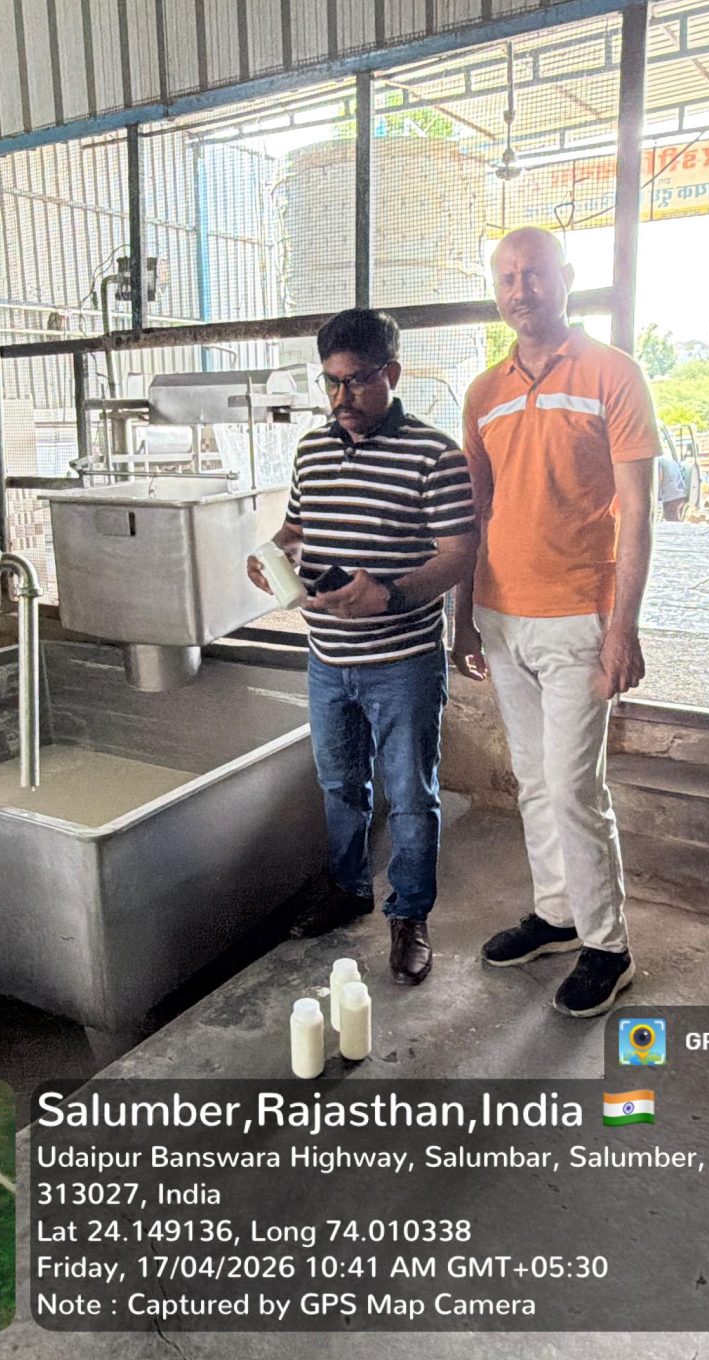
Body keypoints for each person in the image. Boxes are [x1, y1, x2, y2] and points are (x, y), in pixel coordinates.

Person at [452, 226, 657, 1018]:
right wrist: (464, 620)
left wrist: (622, 630)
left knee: (574, 787)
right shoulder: (485, 392)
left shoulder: (613, 374)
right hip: (501, 616)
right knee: (535, 781)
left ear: (565, 278)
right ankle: (558, 914)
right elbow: (475, 511)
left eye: (534, 273)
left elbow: (637, 514)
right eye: (506, 277)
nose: (520, 290)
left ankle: (609, 945)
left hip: (580, 617)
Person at [248, 309, 477, 985]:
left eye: (356, 381)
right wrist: (270, 555)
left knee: (409, 793)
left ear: (392, 373)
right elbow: (297, 528)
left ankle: (409, 914)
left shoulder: (436, 455)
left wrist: (393, 596)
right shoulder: (312, 450)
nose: (341, 397)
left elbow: (459, 554)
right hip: (327, 657)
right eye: (331, 382)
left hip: (402, 661)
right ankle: (349, 889)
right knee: (341, 784)